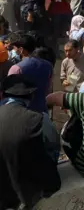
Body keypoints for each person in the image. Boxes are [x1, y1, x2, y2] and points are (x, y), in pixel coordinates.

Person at [0, 74, 61, 210]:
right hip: (31, 191)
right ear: (31, 97)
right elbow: (54, 148)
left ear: (2, 95)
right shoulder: (40, 119)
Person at [7, 32, 52, 113]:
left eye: (15, 48)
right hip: (42, 110)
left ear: (21, 50)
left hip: (23, 113)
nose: (14, 50)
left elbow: (10, 94)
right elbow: (49, 88)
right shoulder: (48, 65)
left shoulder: (16, 68)